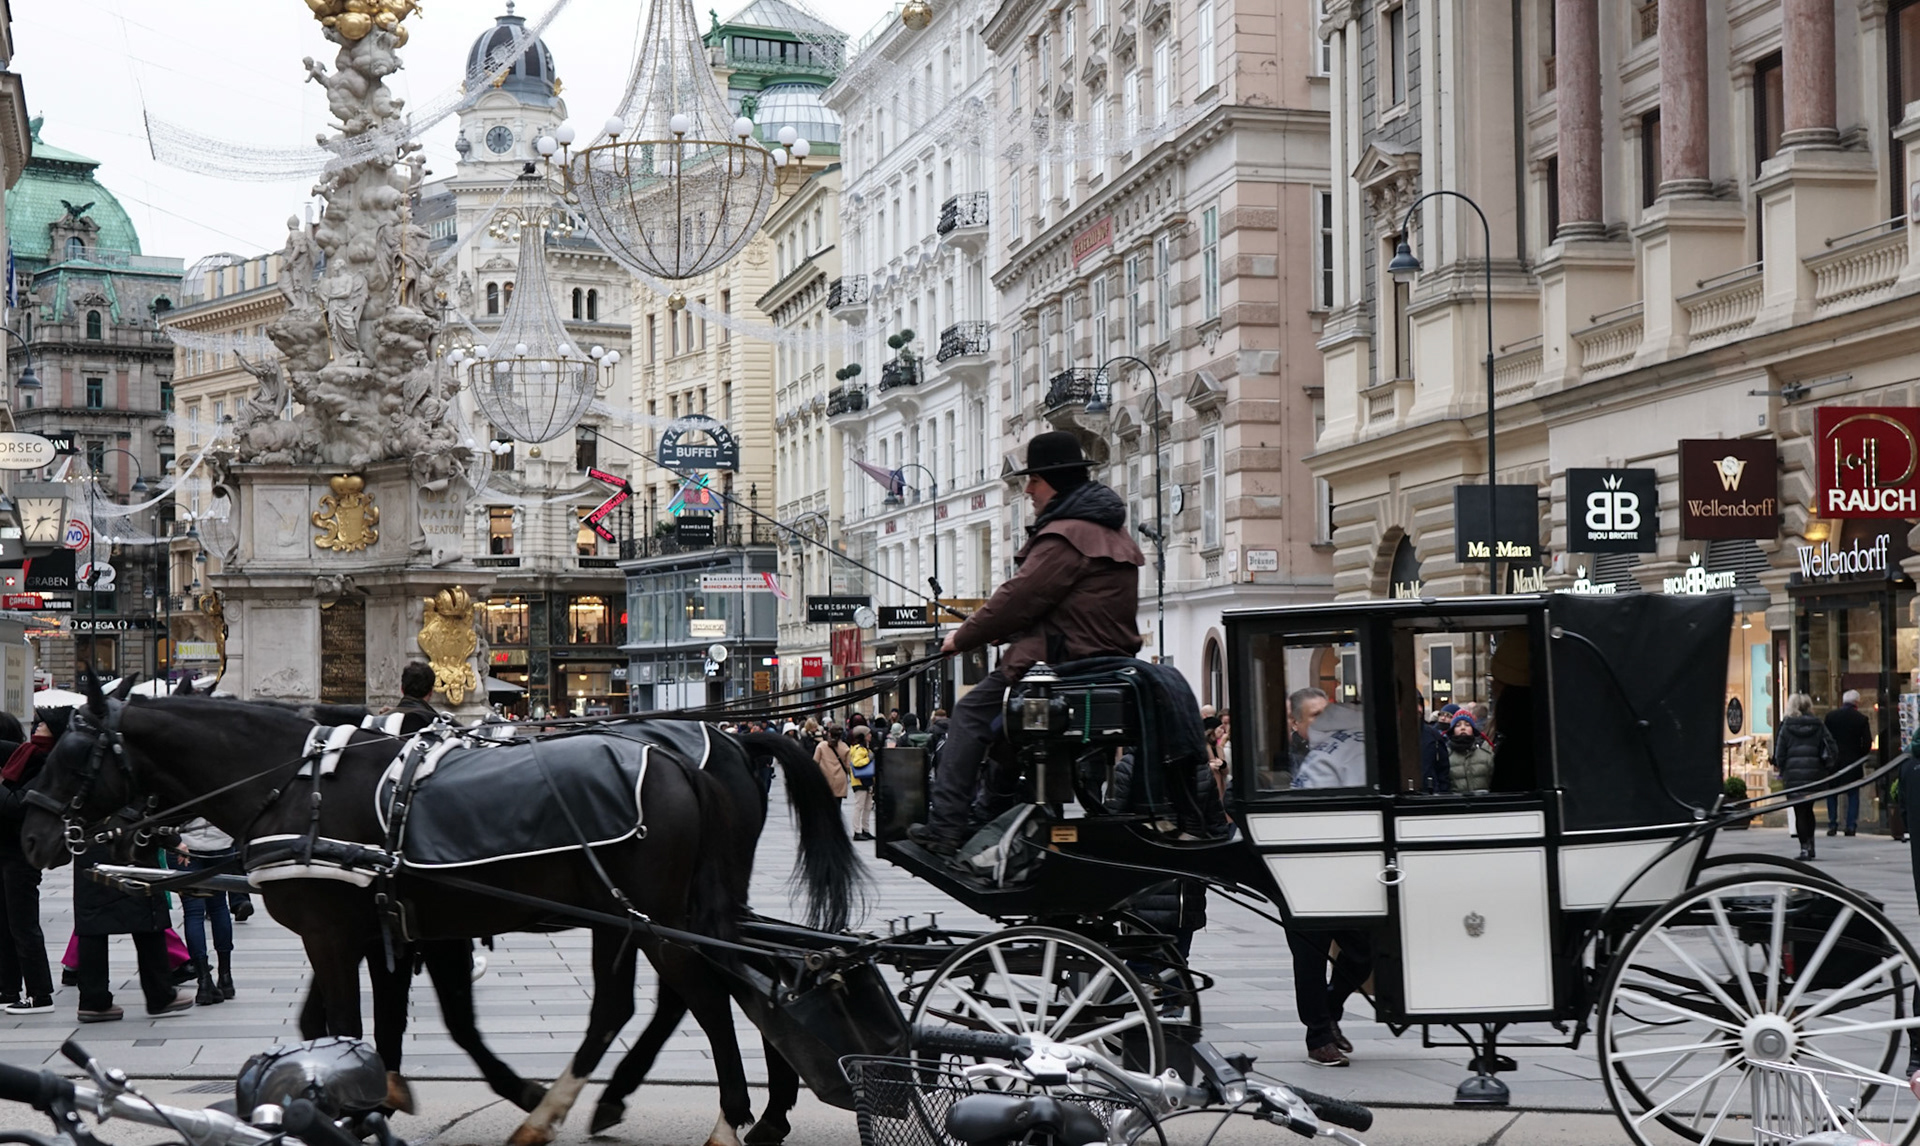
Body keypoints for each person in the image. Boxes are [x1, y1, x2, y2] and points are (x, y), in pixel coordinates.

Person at [909, 432, 1146, 856]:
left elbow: (1017, 598)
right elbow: (1069, 607)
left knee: (968, 717)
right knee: (1003, 730)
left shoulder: (1065, 536)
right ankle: (990, 808)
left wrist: (962, 638)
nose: (1028, 491)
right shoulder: (1107, 532)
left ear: (1051, 481)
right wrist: (1009, 631)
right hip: (1093, 659)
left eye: (1031, 481)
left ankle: (945, 828)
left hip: (1061, 665)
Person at [1286, 702, 1373, 1066]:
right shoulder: (1298, 755)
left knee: (1363, 951)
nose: (1321, 721)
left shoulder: (1339, 749)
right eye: (1314, 715)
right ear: (1297, 721)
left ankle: (1330, 1009)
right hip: (1303, 869)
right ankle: (1318, 1036)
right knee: (1310, 958)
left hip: (1342, 867)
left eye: (1324, 713)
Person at [74, 839, 195, 1022]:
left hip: (90, 845)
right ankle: (160, 994)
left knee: (93, 922)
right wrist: (173, 838)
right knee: (148, 914)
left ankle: (93, 1000)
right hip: (131, 846)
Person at [0, 712, 53, 1013]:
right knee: (4, 925)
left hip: (22, 854)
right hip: (4, 850)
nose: (36, 727)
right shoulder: (24, 754)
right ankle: (7, 989)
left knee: (23, 925)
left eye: (42, 723)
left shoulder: (45, 765)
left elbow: (17, 805)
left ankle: (40, 994)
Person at [175, 819, 237, 1005]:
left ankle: (203, 980)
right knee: (219, 907)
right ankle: (226, 977)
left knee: (193, 913)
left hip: (185, 844)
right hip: (221, 841)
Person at [1774, 693, 1838, 861]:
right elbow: (1832, 746)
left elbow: (1779, 753)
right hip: (1814, 774)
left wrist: (1782, 768)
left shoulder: (1786, 726)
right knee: (1808, 810)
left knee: (1799, 811)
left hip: (1794, 775)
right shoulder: (1818, 725)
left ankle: (1804, 847)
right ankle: (1811, 845)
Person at [1823, 690, 1873, 837]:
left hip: (1834, 761)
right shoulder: (1861, 719)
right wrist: (1860, 755)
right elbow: (1867, 743)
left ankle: (1832, 824)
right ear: (1857, 702)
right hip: (1853, 761)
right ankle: (1851, 825)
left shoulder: (1831, 717)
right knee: (1853, 794)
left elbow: (1825, 739)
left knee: (1832, 793)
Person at [1444, 713, 1495, 795]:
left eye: (1467, 725)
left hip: (1483, 802)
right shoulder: (1446, 754)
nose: (1463, 728)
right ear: (1452, 730)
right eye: (1458, 725)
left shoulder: (1486, 752)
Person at [848, 728, 876, 841]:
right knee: (859, 806)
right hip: (860, 781)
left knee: (868, 806)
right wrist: (868, 759)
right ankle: (857, 831)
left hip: (867, 780)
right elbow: (856, 763)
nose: (870, 736)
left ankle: (865, 829)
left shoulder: (865, 748)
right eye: (868, 734)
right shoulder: (860, 749)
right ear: (863, 736)